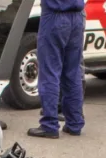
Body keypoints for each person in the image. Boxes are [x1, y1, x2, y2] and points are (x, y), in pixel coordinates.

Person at [27, 0, 86, 139]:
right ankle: (75, 123)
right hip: (77, 17)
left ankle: (50, 125)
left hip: (55, 16)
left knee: (49, 72)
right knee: (73, 72)